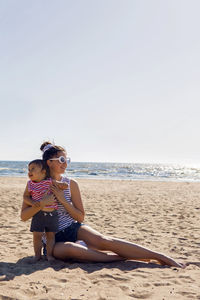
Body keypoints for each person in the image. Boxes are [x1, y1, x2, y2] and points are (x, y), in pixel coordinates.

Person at [21, 141, 185, 268]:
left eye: (67, 159)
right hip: (53, 241)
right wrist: (40, 204)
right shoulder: (36, 184)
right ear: (49, 162)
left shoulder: (71, 184)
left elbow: (80, 216)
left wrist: (62, 199)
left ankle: (160, 256)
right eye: (62, 159)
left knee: (103, 240)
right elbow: (24, 216)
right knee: (72, 249)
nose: (66, 163)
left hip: (72, 227)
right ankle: (122, 257)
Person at [24, 158, 68, 262]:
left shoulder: (49, 182)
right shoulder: (30, 184)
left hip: (52, 214)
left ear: (43, 171)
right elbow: (25, 197)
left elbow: (62, 185)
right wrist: (32, 203)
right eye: (29, 169)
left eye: (33, 169)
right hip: (38, 214)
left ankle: (49, 255)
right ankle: (37, 255)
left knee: (50, 236)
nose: (29, 172)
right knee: (37, 236)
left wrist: (63, 185)